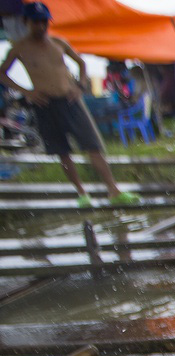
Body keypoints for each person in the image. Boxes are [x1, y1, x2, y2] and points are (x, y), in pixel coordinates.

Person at [0, 3, 139, 208]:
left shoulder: (59, 43)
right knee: (61, 151)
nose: (40, 26)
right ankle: (82, 193)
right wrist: (27, 92)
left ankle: (113, 190)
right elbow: (2, 73)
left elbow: (81, 63)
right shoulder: (20, 48)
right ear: (26, 22)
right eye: (36, 22)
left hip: (70, 99)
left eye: (43, 22)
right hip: (45, 103)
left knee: (93, 145)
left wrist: (80, 85)